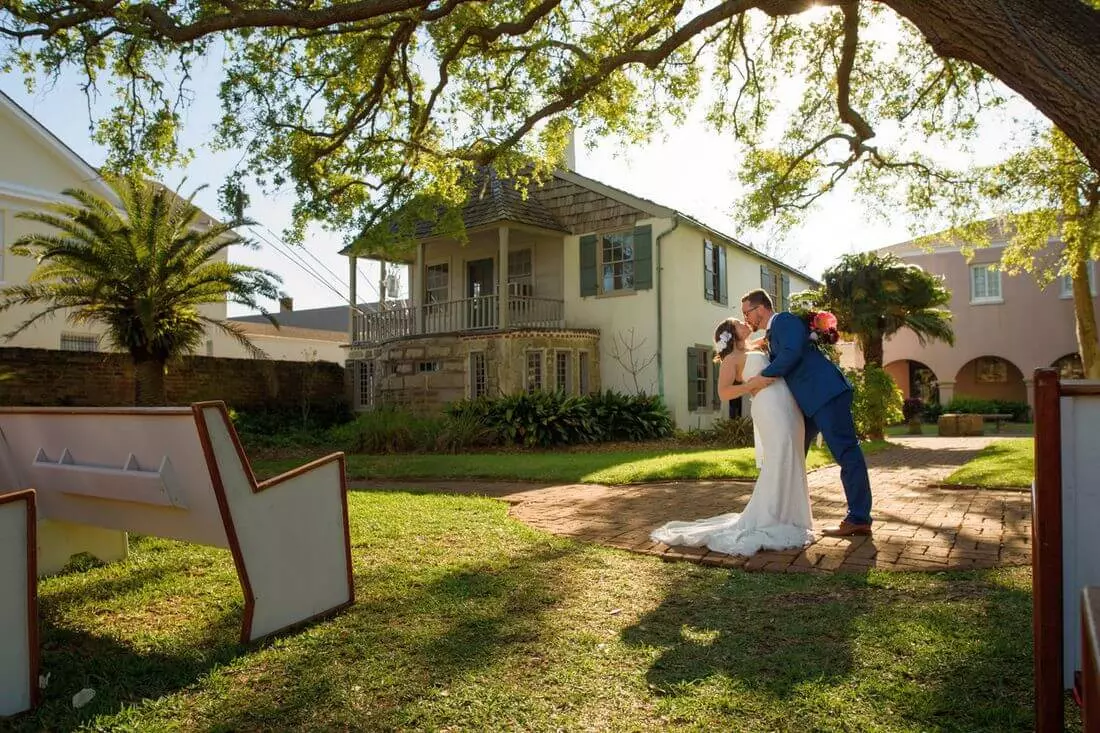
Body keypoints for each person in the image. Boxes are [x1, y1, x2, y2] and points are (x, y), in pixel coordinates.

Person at [650, 317, 814, 556]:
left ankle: (792, 514)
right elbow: (724, 392)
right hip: (769, 407)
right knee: (779, 457)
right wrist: (752, 384)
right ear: (732, 333)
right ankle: (770, 517)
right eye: (738, 322)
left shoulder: (756, 347)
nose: (744, 321)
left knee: (793, 456)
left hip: (788, 406)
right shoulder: (731, 359)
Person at [740, 288, 873, 536]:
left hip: (825, 393)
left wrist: (761, 378)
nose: (746, 319)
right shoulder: (775, 332)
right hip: (809, 402)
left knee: (846, 451)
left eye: (747, 313)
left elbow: (791, 354)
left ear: (760, 308)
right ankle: (785, 515)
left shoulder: (785, 321)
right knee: (790, 455)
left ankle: (859, 517)